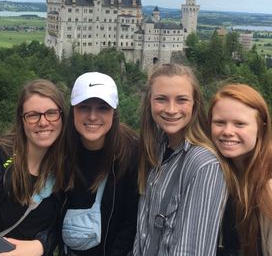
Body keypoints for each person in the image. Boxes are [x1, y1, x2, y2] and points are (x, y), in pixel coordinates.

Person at [133, 63, 227, 255]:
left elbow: (192, 249)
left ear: (195, 104)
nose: (171, 109)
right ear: (149, 102)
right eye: (161, 99)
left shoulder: (203, 164)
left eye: (182, 99)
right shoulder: (157, 149)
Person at [61, 72, 139, 256]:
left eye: (103, 108)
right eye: (84, 107)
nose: (92, 116)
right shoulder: (60, 151)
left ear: (114, 113)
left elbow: (130, 223)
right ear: (73, 111)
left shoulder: (132, 153)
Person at [0, 78, 72, 256]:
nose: (43, 122)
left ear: (62, 117)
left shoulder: (65, 168)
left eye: (51, 113)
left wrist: (41, 246)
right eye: (33, 115)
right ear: (22, 120)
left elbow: (61, 229)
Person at [208, 83, 272, 256]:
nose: (228, 131)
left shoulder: (268, 186)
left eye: (239, 124)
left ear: (261, 128)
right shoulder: (213, 175)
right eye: (220, 122)